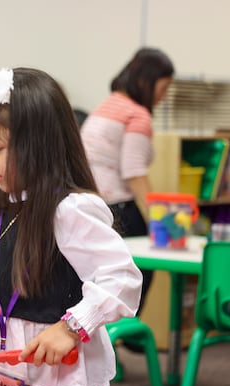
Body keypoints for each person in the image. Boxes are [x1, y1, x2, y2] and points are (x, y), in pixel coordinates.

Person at [0, 67, 142, 386]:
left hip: (55, 379)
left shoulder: (70, 209)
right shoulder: (6, 205)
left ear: (38, 147)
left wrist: (71, 329)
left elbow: (122, 278)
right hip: (3, 371)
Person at [80, 48, 174, 315]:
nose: (164, 96)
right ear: (147, 80)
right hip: (119, 212)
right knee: (139, 273)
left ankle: (115, 339)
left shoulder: (107, 105)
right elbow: (134, 174)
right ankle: (128, 330)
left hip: (93, 206)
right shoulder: (137, 115)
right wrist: (160, 224)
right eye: (164, 87)